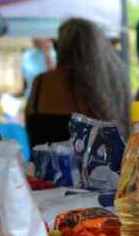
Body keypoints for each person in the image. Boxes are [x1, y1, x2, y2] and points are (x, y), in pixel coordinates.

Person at [24, 18, 129, 147]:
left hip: (45, 165)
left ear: (60, 48)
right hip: (101, 166)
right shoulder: (110, 84)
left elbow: (31, 128)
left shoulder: (43, 83)